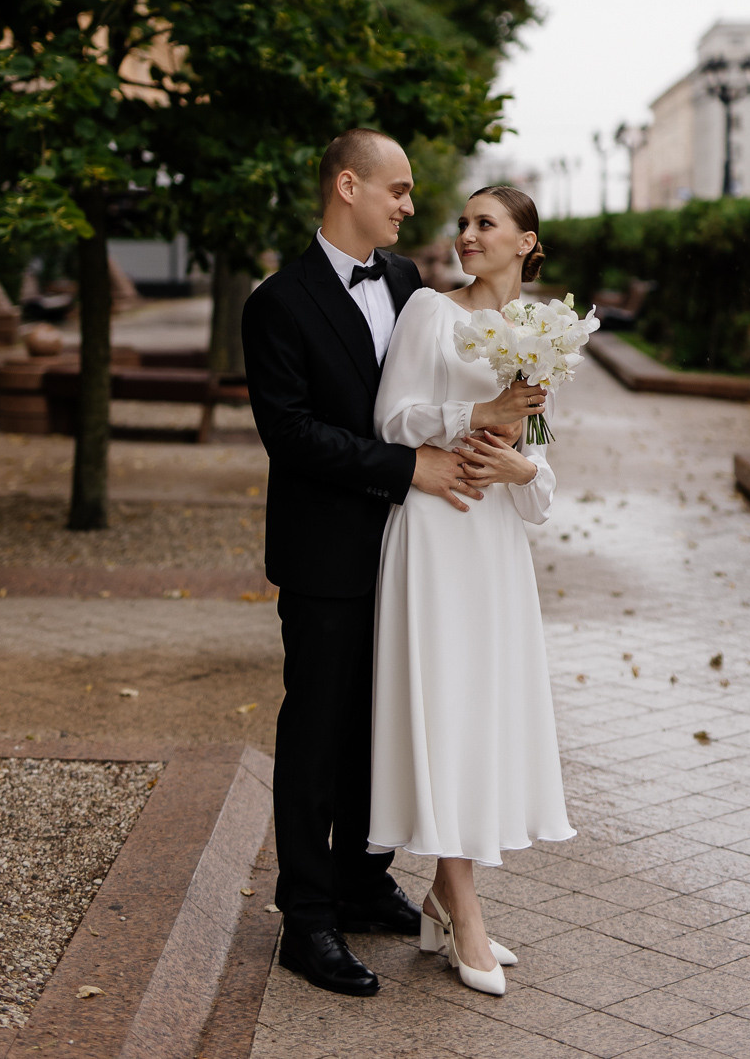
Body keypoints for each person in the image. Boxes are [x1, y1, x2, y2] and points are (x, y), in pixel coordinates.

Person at [242, 128, 486, 998]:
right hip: (325, 553)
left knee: (383, 726)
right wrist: (406, 467)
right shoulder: (277, 303)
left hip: (410, 549)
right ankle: (307, 918)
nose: (411, 206)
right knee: (317, 733)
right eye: (399, 190)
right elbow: (292, 435)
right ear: (349, 187)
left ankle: (360, 880)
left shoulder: (409, 283)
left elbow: (424, 393)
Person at [368, 184, 575, 996]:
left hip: (494, 546)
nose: (466, 235)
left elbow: (539, 472)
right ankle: (465, 909)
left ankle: (441, 899)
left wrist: (523, 468)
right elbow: (391, 420)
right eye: (463, 223)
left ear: (526, 243)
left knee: (480, 713)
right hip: (434, 530)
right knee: (444, 709)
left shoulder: (540, 335)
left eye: (485, 224)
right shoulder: (429, 312)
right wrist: (477, 413)